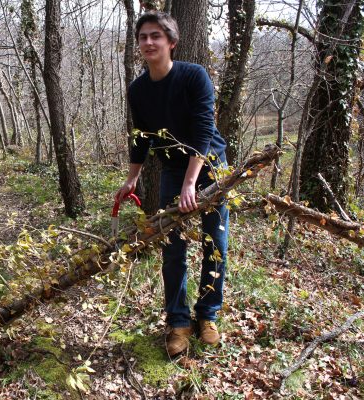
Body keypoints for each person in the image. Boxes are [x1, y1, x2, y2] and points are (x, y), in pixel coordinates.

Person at [115, 11, 229, 357]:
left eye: (156, 36)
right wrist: (132, 177)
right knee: (173, 249)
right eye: (143, 37)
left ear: (171, 43)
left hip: (209, 167)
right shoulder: (138, 89)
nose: (148, 42)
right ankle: (178, 322)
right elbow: (142, 137)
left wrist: (191, 183)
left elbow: (203, 131)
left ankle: (207, 316)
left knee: (215, 244)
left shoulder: (194, 77)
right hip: (170, 171)